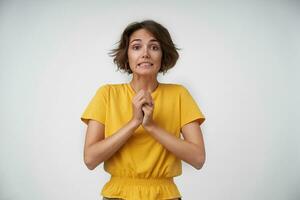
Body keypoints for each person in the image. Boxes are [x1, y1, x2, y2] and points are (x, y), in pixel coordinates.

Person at [80, 19, 206, 200]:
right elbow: (90, 159)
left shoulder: (179, 95)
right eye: (136, 47)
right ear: (127, 54)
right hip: (117, 195)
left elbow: (198, 158)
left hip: (165, 195)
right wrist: (134, 122)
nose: (145, 53)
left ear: (163, 55)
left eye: (154, 47)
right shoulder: (107, 94)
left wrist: (152, 126)